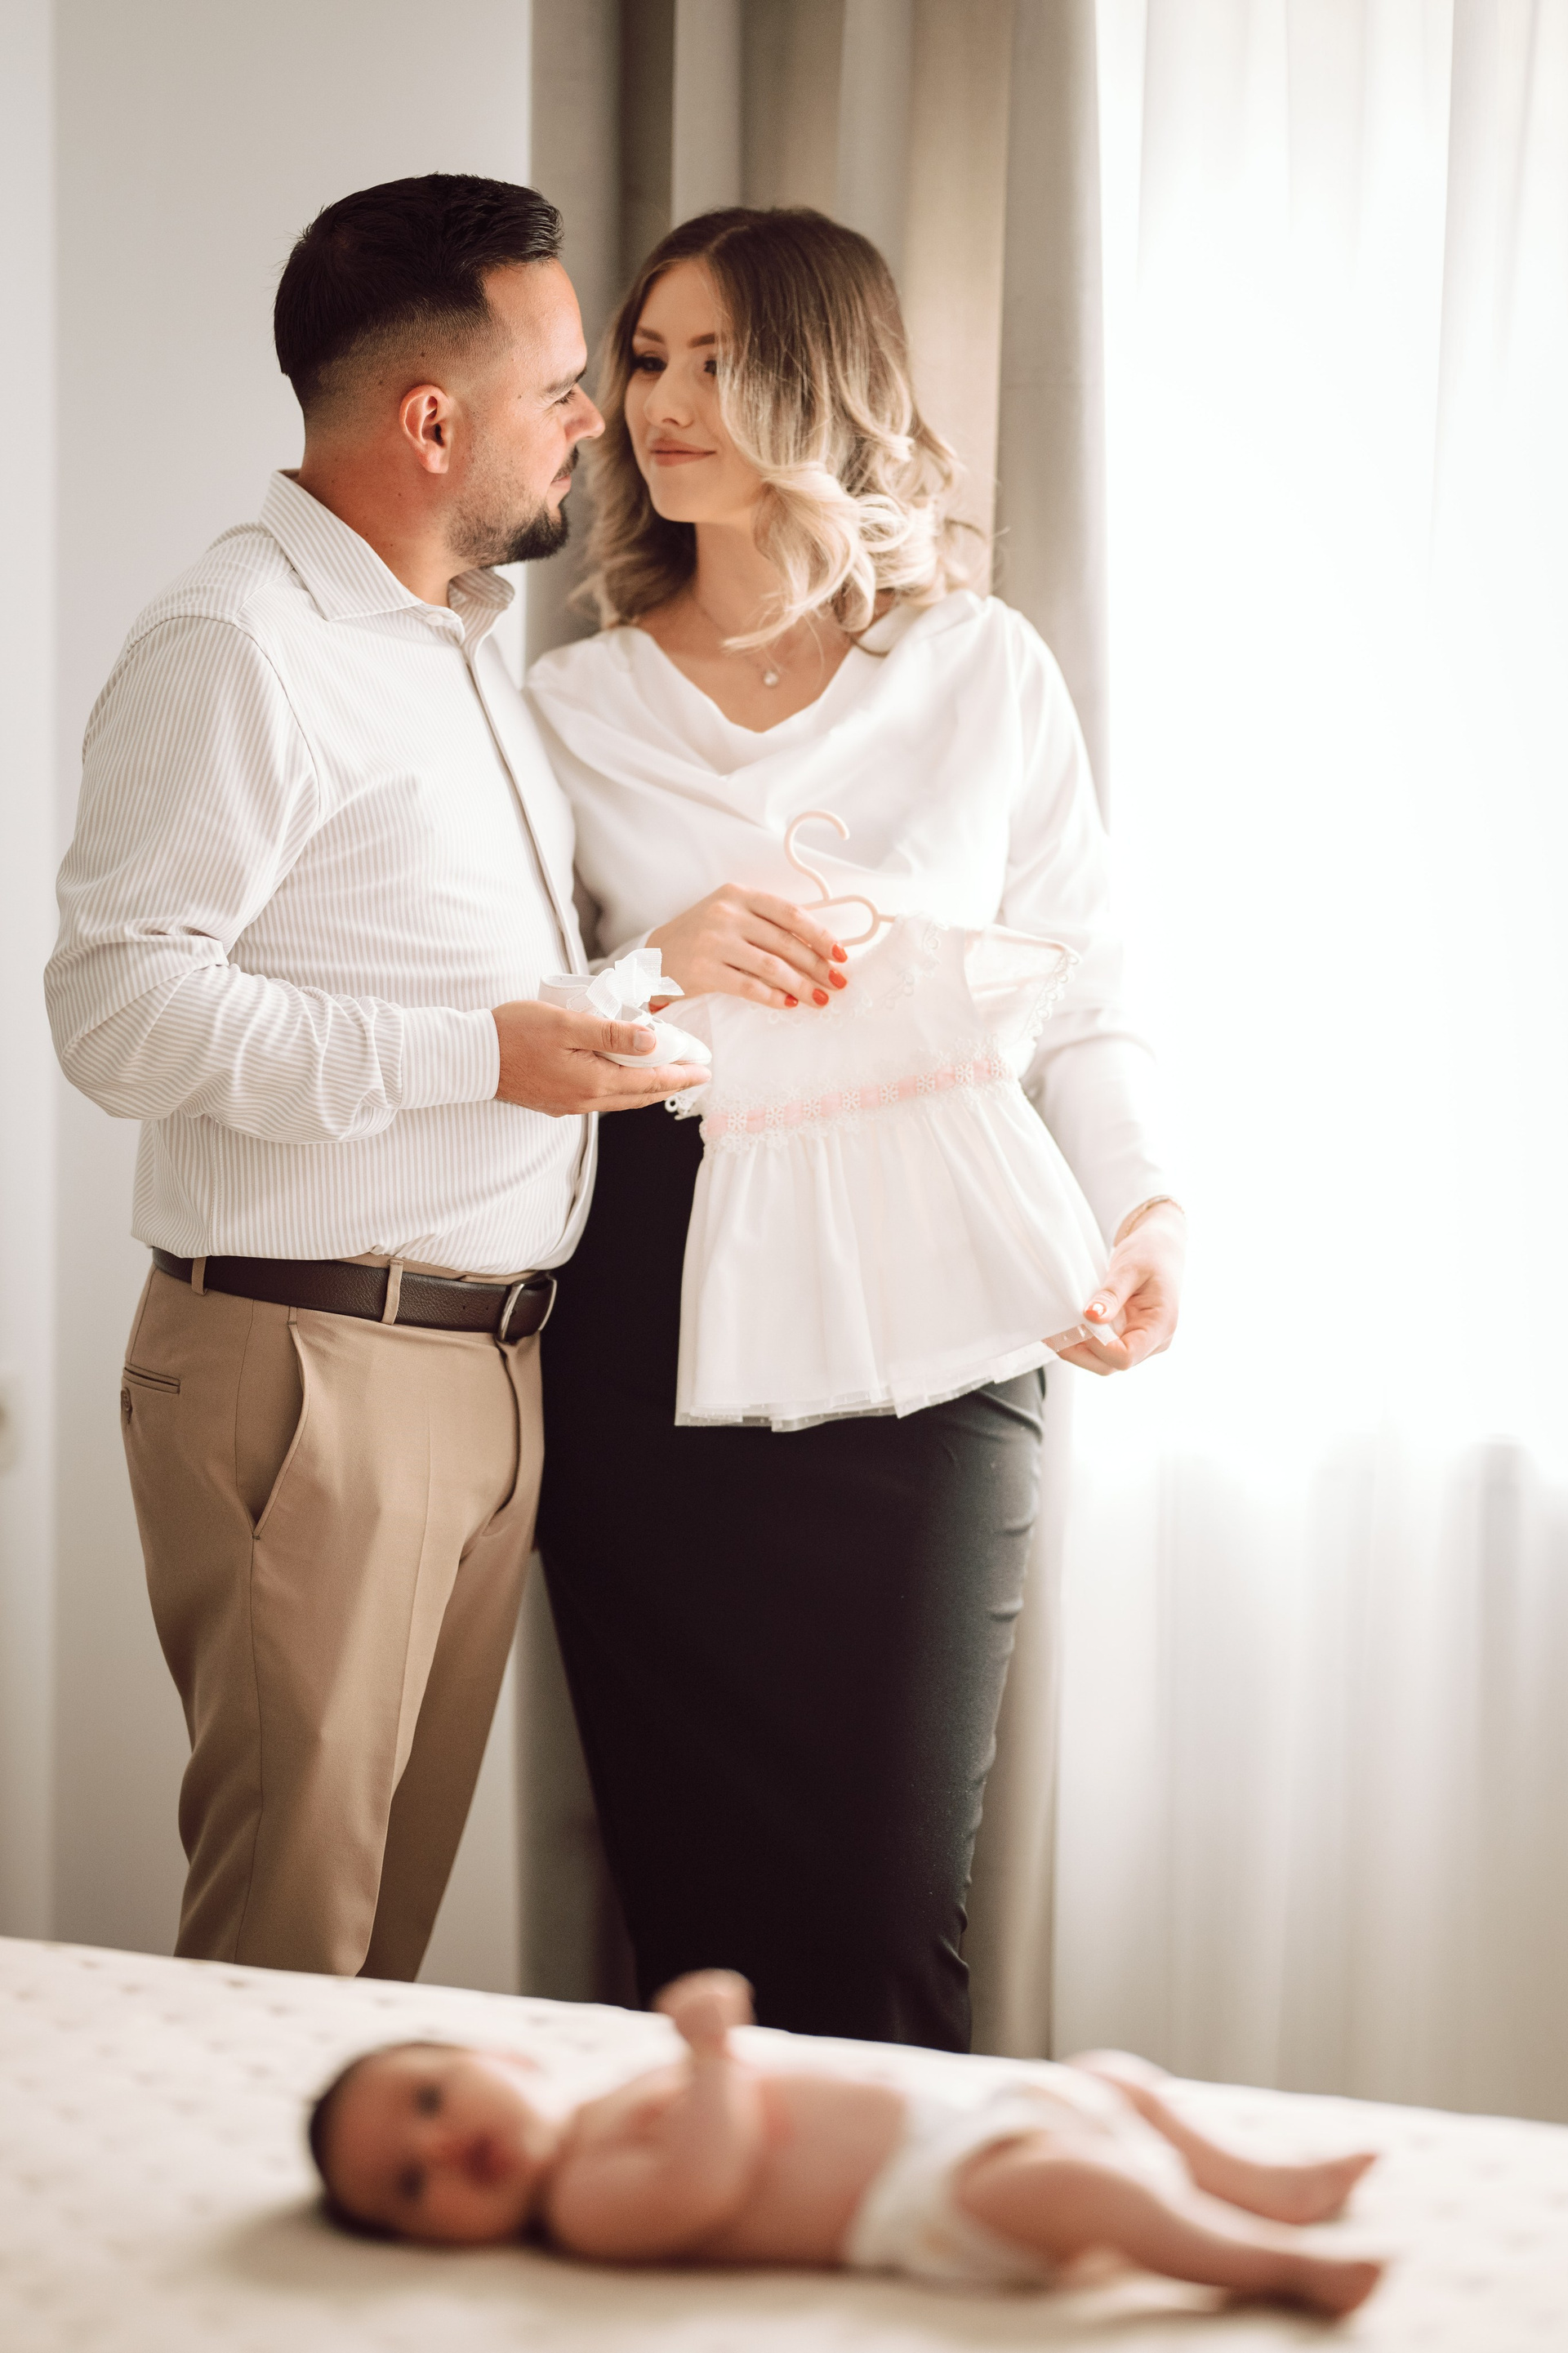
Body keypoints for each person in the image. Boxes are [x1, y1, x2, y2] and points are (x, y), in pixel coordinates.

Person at [527, 207, 1186, 2048]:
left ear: (826, 382)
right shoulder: (565, 707)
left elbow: (1085, 991)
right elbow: (519, 1031)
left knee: (892, 1908)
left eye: (720, 359)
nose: (663, 400)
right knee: (694, 1914)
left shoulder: (981, 669)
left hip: (939, 1317)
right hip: (651, 1317)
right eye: (646, 358)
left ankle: (903, 2228)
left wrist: (1147, 1208)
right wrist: (654, 963)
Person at [43, 174, 705, 1981]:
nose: (596, 420)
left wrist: (656, 973)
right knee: (291, 1955)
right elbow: (116, 1007)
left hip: (485, 1370)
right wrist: (482, 1053)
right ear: (431, 421)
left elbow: (446, 991)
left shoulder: (456, 651)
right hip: (312, 1367)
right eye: (561, 384)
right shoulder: (239, 643)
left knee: (373, 1962)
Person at [308, 1968, 1383, 2317]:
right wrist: (714, 2059)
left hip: (960, 2120)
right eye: (407, 2184)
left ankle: (1259, 2181)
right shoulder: (583, 2206)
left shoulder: (606, 2099)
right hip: (924, 2201)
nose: (440, 2148)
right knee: (1084, 2188)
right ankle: (1266, 2265)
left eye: (432, 2098)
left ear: (505, 2054)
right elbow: (705, 2180)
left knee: (1113, 2077)